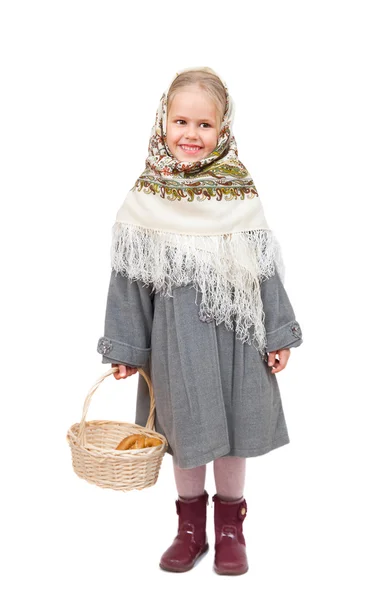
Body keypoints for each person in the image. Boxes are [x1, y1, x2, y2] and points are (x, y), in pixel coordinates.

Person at [97, 66, 303, 576]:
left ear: (224, 129)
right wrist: (125, 346)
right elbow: (129, 281)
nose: (192, 134)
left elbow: (264, 268)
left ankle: (231, 528)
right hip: (176, 340)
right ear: (162, 122)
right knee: (186, 428)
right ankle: (190, 529)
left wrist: (278, 331)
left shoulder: (237, 190)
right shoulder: (147, 195)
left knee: (234, 426)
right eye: (181, 121)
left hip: (238, 333)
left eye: (205, 125)